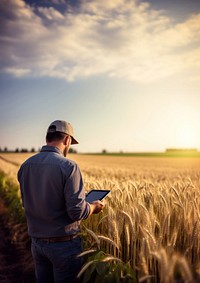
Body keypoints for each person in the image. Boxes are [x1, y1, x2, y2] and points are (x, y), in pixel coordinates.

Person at [17, 120, 105, 283]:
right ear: (67, 140)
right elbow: (76, 212)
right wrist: (93, 207)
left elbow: (28, 203)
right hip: (63, 246)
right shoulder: (69, 166)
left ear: (47, 138)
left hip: (37, 244)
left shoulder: (25, 166)